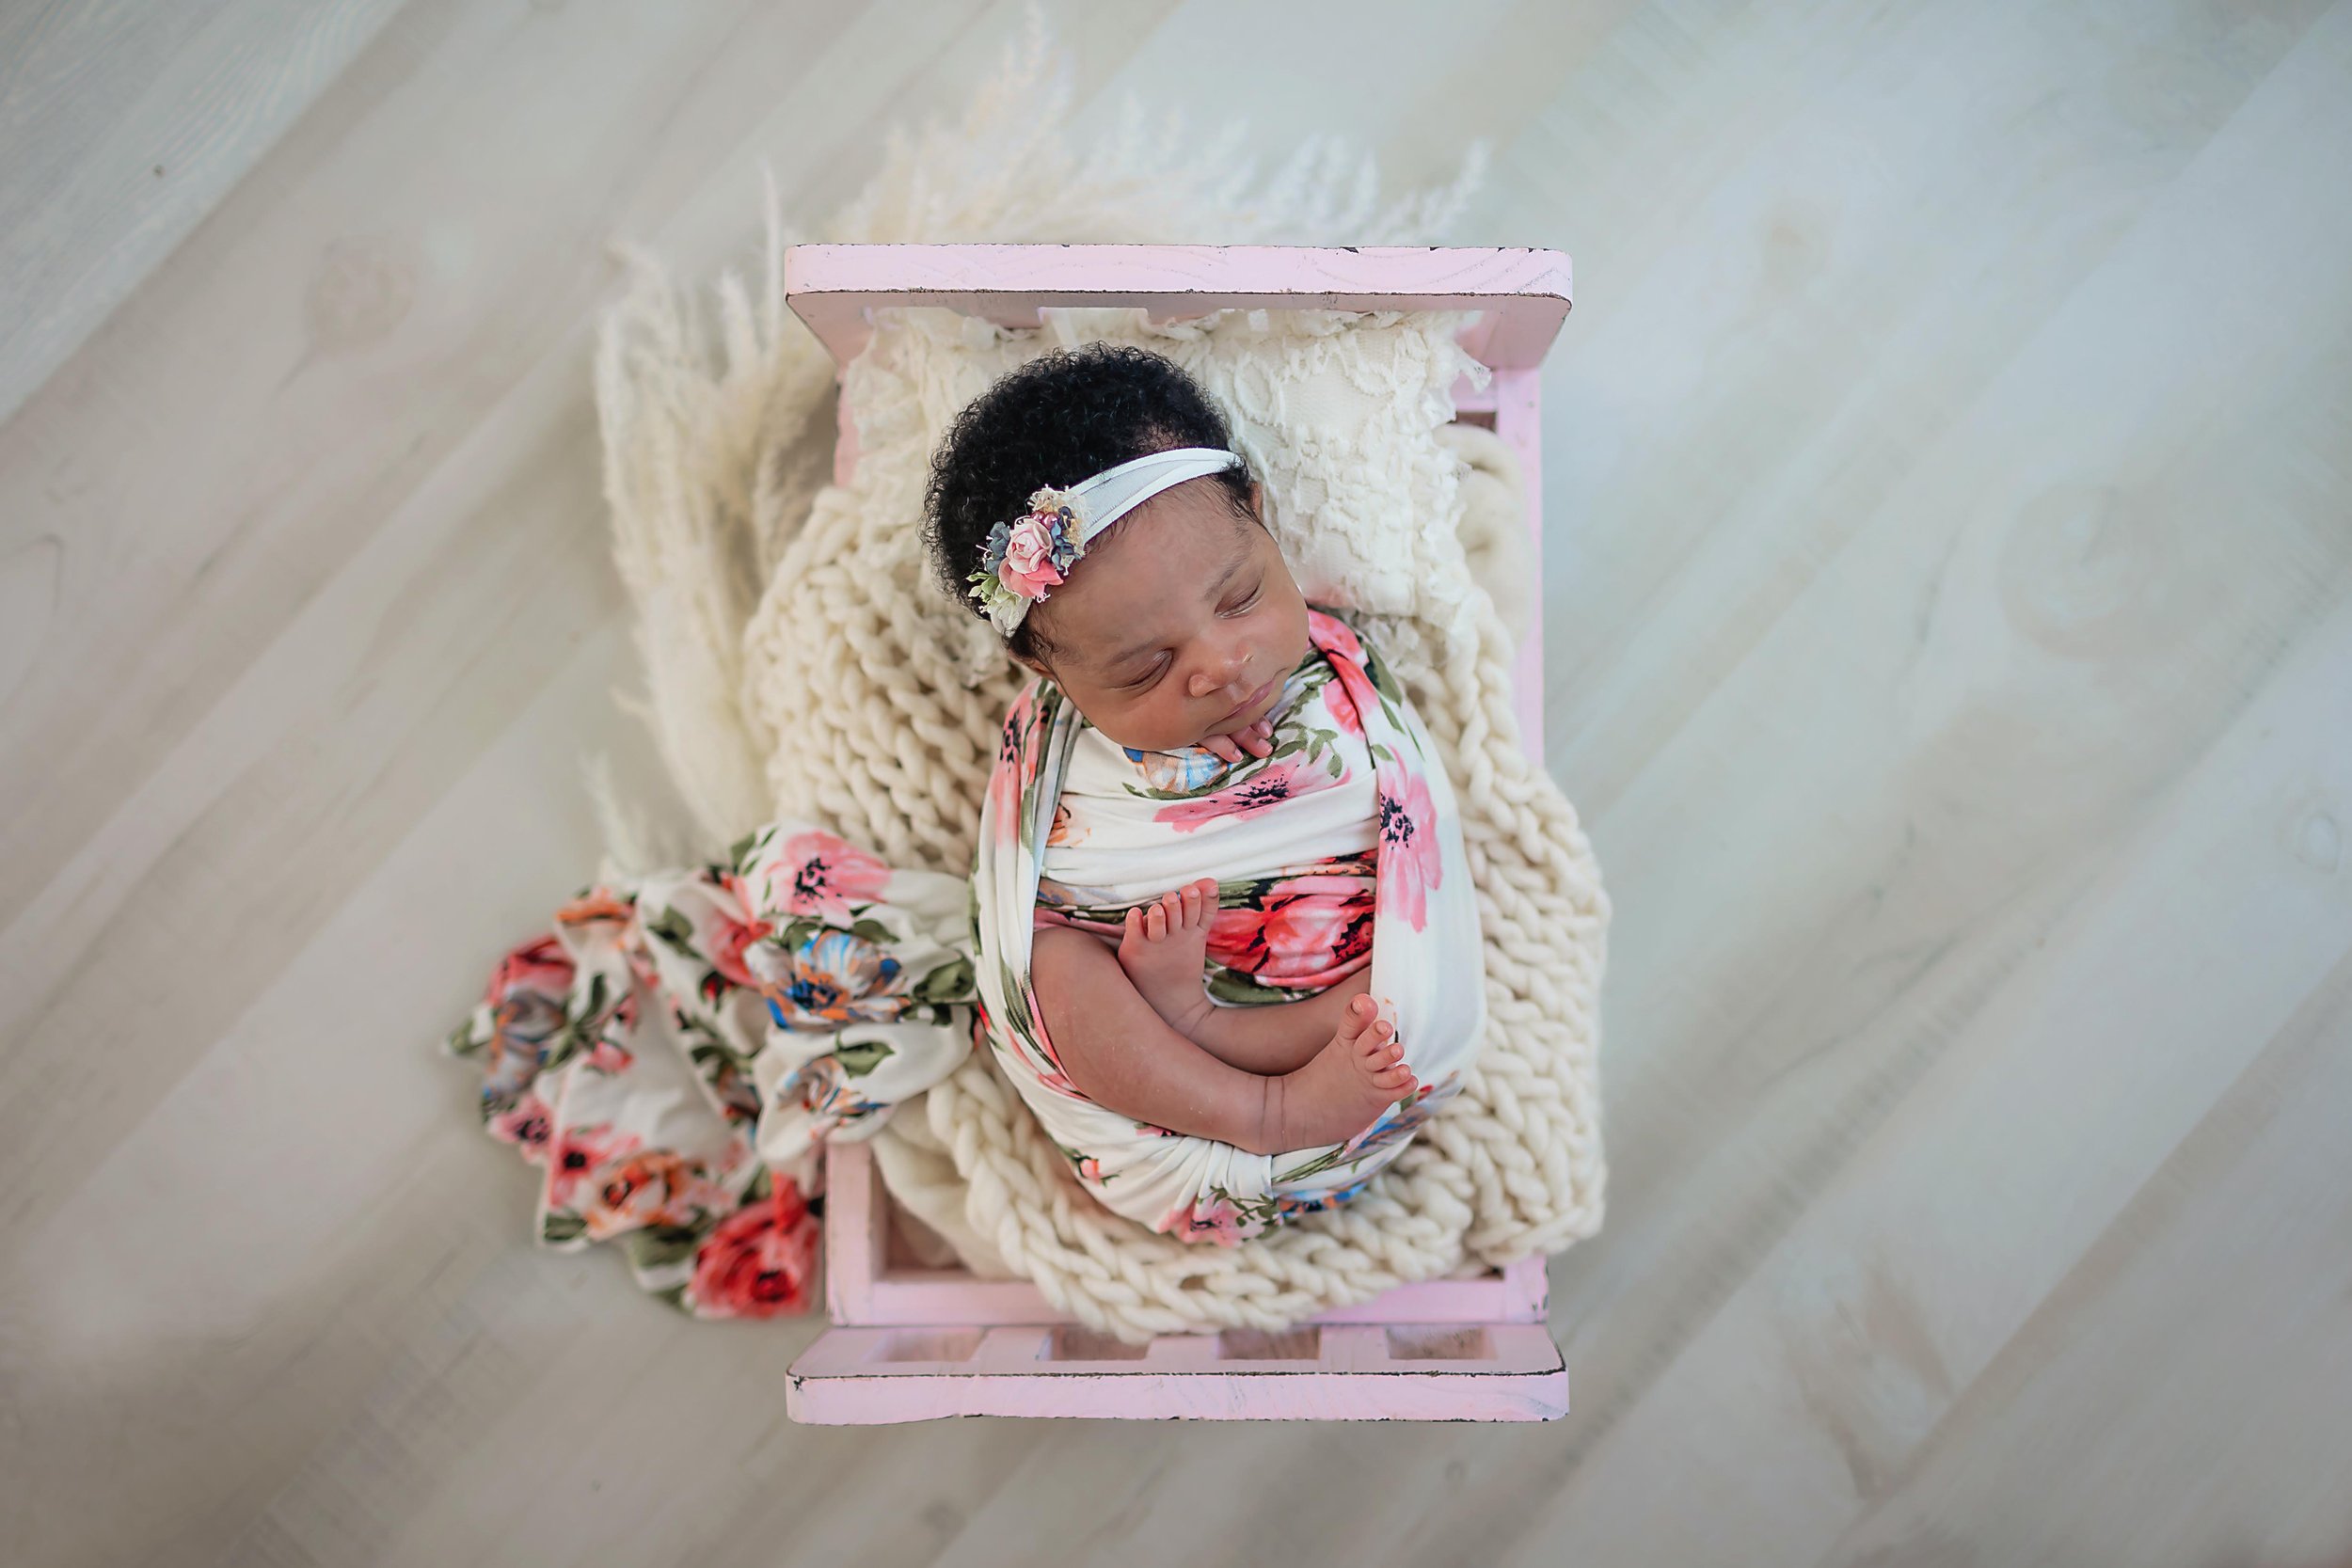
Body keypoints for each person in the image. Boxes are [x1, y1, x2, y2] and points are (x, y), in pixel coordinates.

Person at [925, 342, 1486, 1243]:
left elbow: (1404, 812)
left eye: (1240, 597)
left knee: (1389, 971)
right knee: (1054, 973)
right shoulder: (1054, 740)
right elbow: (1019, 905)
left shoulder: (1334, 673)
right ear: (1048, 669)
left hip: (1342, 1042)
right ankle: (1260, 1109)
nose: (1221, 667)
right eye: (1148, 667)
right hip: (1157, 1099)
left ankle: (1245, 1055)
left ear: (1261, 518)